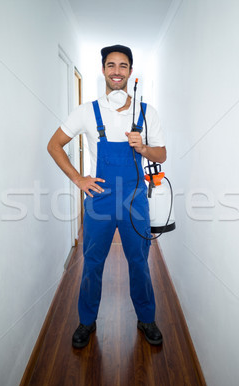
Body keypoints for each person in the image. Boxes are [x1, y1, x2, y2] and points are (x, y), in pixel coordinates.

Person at [47, 44, 166, 348]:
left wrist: (143, 148)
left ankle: (146, 318)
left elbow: (162, 155)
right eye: (111, 65)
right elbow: (54, 144)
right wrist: (78, 179)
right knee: (92, 263)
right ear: (102, 70)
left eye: (123, 66)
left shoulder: (146, 112)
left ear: (130, 71)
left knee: (139, 262)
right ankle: (86, 322)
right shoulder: (87, 111)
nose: (116, 71)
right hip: (99, 200)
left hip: (134, 200)